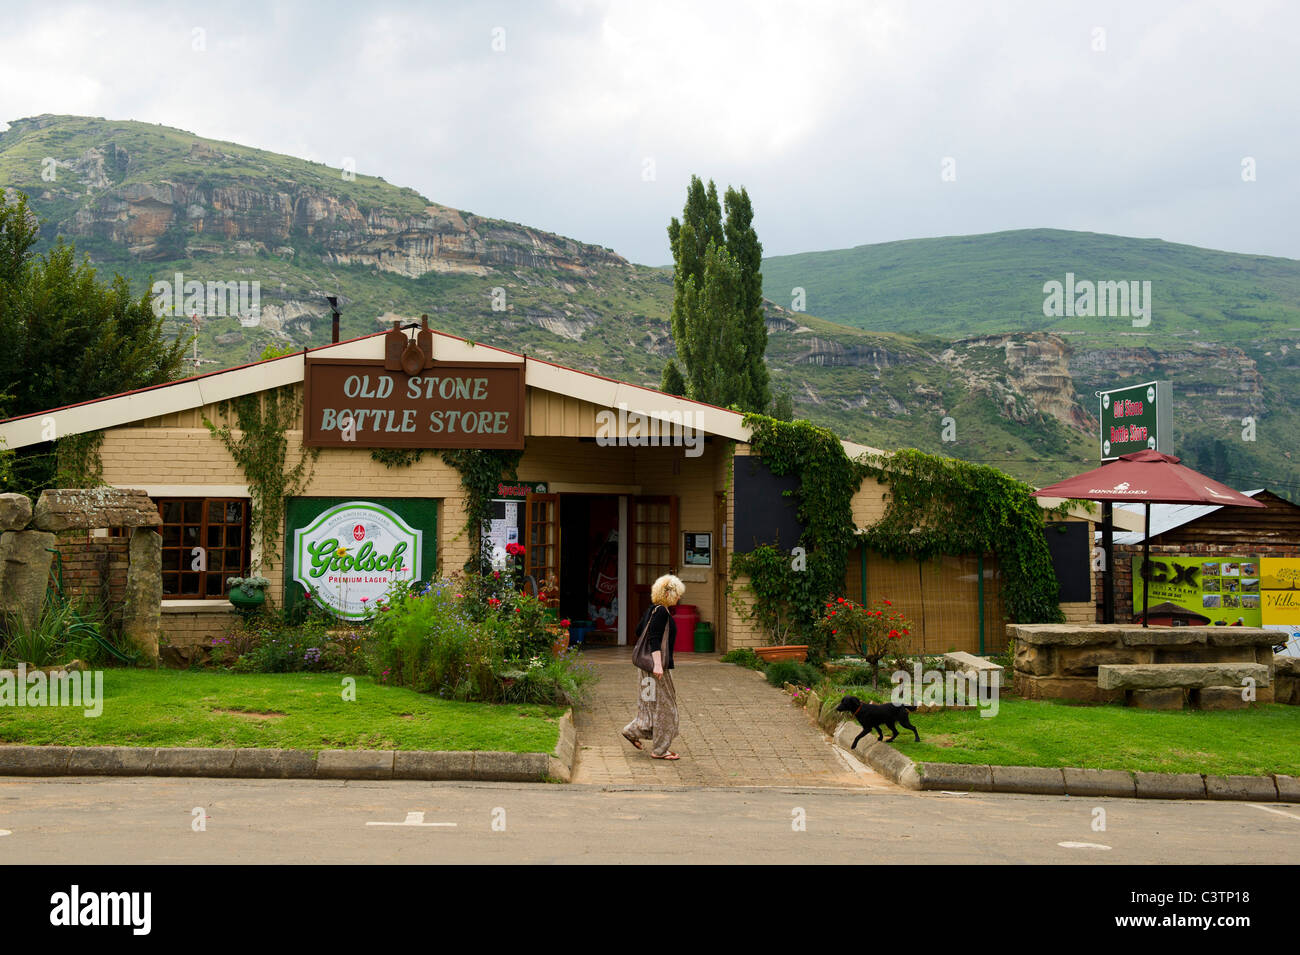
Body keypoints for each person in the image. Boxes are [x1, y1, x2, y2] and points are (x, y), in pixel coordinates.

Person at [621, 574, 684, 760]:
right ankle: (660, 750)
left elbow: (639, 631)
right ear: (669, 593)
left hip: (644, 668)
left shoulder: (652, 610)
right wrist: (658, 665)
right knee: (666, 708)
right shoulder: (663, 612)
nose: (679, 597)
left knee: (649, 704)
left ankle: (633, 730)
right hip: (656, 669)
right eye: (678, 593)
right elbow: (654, 639)